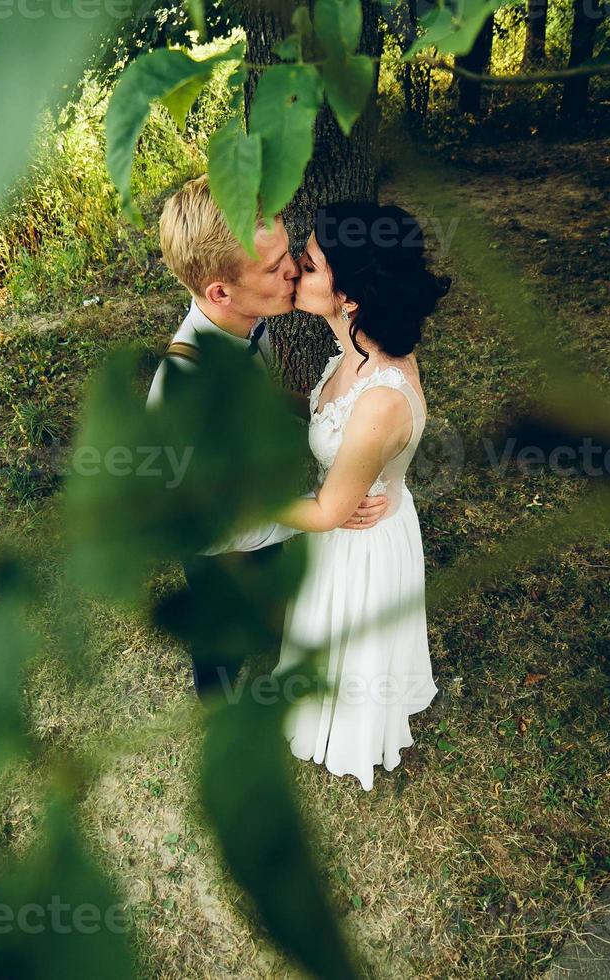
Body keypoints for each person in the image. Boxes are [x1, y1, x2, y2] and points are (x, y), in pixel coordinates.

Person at [147, 176, 388, 698]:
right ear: (219, 292)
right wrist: (324, 510)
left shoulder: (246, 323)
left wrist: (322, 412)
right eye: (273, 267)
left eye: (288, 253)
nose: (294, 270)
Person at [268, 201, 450, 790]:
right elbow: (327, 414)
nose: (296, 266)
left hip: (357, 536)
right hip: (356, 517)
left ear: (348, 296)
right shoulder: (360, 347)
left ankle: (348, 729)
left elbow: (328, 511)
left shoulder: (381, 399)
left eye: (313, 263)